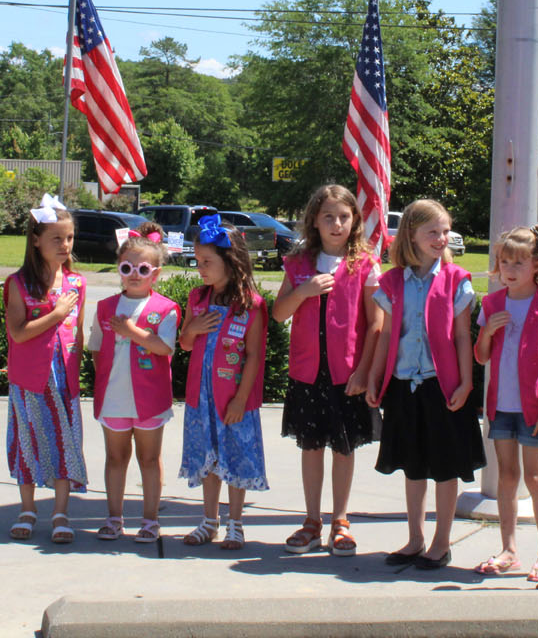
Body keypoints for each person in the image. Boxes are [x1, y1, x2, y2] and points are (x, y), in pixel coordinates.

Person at [365, 199, 485, 570]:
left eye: (445, 231)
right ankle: (415, 539)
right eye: (432, 231)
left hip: (443, 386)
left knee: (445, 468)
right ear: (411, 236)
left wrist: (466, 384)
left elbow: (464, 336)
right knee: (413, 466)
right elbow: (386, 336)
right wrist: (373, 376)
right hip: (404, 385)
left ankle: (441, 542)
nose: (441, 237)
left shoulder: (455, 280)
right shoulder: (393, 281)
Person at [273, 184, 383, 557]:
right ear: (314, 221)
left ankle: (340, 520)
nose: (336, 224)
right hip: (307, 372)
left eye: (344, 217)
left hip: (346, 374)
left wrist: (365, 371)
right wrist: (302, 292)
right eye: (328, 217)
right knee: (311, 446)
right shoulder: (299, 264)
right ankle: (311, 521)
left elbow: (375, 324)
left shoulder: (365, 265)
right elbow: (278, 313)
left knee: (344, 447)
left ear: (354, 222)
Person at [472, 226, 538, 582]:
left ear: (537, 265)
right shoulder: (492, 303)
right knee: (506, 477)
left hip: (535, 406)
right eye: (505, 261)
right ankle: (509, 549)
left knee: (535, 476)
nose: (510, 269)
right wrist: (488, 331)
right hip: (501, 406)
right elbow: (481, 357)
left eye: (519, 262)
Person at [178, 216, 269, 549]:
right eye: (198, 261)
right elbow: (185, 344)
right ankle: (209, 520)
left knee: (235, 457)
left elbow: (255, 356)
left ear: (230, 262)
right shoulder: (197, 299)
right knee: (208, 458)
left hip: (233, 399)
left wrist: (241, 399)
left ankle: (236, 523)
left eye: (207, 262)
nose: (200, 268)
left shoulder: (251, 305)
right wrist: (194, 328)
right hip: (201, 399)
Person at [2, 194, 87, 545]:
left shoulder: (76, 284)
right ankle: (27, 508)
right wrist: (54, 315)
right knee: (28, 440)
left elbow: (79, 334)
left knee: (65, 441)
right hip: (30, 378)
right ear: (35, 240)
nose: (65, 245)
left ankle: (61, 511)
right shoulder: (19, 284)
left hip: (64, 378)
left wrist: (78, 372)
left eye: (68, 238)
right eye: (56, 238)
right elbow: (18, 333)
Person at [87, 227, 177, 544]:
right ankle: (114, 518)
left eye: (142, 269)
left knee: (150, 459)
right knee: (115, 458)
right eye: (127, 268)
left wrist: (131, 330)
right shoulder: (105, 308)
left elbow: (165, 347)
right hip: (114, 398)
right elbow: (96, 348)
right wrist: (107, 380)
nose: (134, 275)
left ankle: (150, 520)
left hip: (151, 399)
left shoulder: (166, 309)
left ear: (156, 273)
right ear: (119, 270)